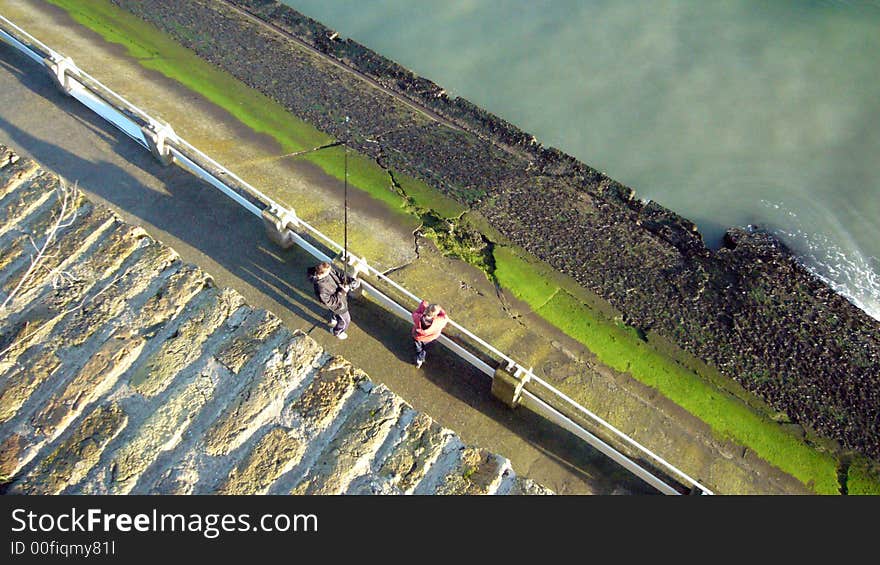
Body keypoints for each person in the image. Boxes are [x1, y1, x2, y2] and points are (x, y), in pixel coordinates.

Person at [307, 261, 352, 340]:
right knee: (346, 320)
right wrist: (342, 292)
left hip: (339, 299)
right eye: (328, 271)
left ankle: (333, 319)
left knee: (334, 313)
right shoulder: (321, 288)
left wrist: (350, 280)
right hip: (338, 306)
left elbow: (338, 274)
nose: (331, 271)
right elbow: (330, 301)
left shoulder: (328, 271)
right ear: (321, 274)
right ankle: (336, 332)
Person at [411, 300, 448, 368]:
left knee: (418, 348)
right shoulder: (438, 322)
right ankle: (420, 359)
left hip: (417, 337)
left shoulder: (418, 318)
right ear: (436, 314)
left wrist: (423, 304)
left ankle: (418, 360)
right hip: (429, 339)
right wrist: (440, 310)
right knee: (425, 349)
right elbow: (445, 317)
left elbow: (414, 313)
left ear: (426, 310)